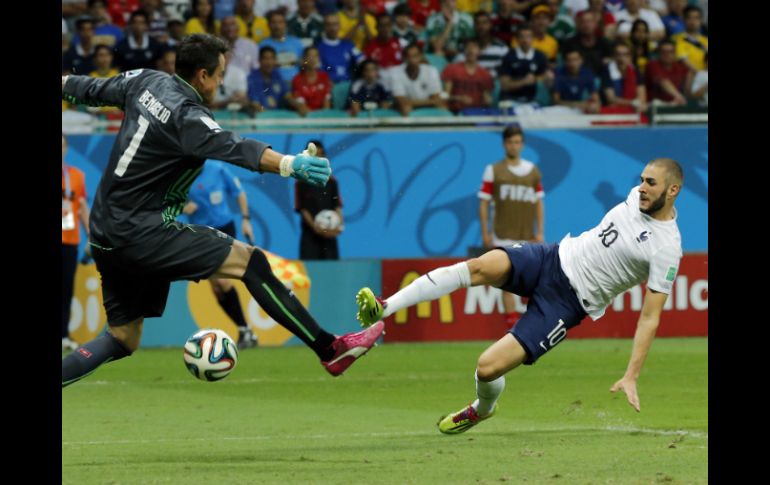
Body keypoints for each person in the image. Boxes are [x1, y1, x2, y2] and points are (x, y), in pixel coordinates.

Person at [61, 33, 384, 388]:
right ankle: (330, 348)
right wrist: (291, 164)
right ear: (201, 75)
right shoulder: (188, 117)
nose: (220, 83)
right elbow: (235, 147)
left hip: (107, 232)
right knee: (250, 262)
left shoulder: (144, 80)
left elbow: (86, 88)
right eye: (218, 75)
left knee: (123, 336)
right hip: (143, 230)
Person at [357, 157, 684, 433]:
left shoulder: (667, 249)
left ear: (673, 191)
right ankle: (385, 307)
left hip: (566, 304)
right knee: (478, 267)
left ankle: (483, 408)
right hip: (551, 258)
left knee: (486, 368)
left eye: (651, 183)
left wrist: (631, 375)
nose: (641, 187)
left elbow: (650, 317)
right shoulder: (635, 197)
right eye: (641, 180)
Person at [182, 161, 258, 349]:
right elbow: (168, 201)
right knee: (216, 288)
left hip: (223, 229)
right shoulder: (181, 173)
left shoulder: (217, 169)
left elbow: (239, 192)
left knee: (223, 282)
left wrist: (246, 220)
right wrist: (183, 207)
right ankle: (244, 330)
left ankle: (246, 330)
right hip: (199, 233)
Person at [478, 125, 544, 328]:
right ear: (504, 144)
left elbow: (539, 203)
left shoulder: (532, 171)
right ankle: (512, 326)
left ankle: (529, 323)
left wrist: (540, 231)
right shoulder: (493, 170)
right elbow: (484, 203)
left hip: (527, 235)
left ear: (522, 144)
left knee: (531, 282)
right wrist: (485, 232)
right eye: (510, 142)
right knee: (507, 283)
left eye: (517, 142)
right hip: (502, 235)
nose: (514, 146)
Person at [62, 134, 91, 352]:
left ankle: (64, 335)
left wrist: (92, 234)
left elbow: (81, 207)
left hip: (69, 240)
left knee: (65, 290)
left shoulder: (76, 176)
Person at [294, 140, 343, 260]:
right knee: (310, 272)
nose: (319, 159)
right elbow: (302, 209)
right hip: (310, 237)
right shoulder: (301, 182)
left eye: (321, 155)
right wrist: (316, 228)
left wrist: (339, 227)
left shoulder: (332, 181)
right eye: (315, 156)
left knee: (331, 270)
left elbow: (337, 206)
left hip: (330, 236)